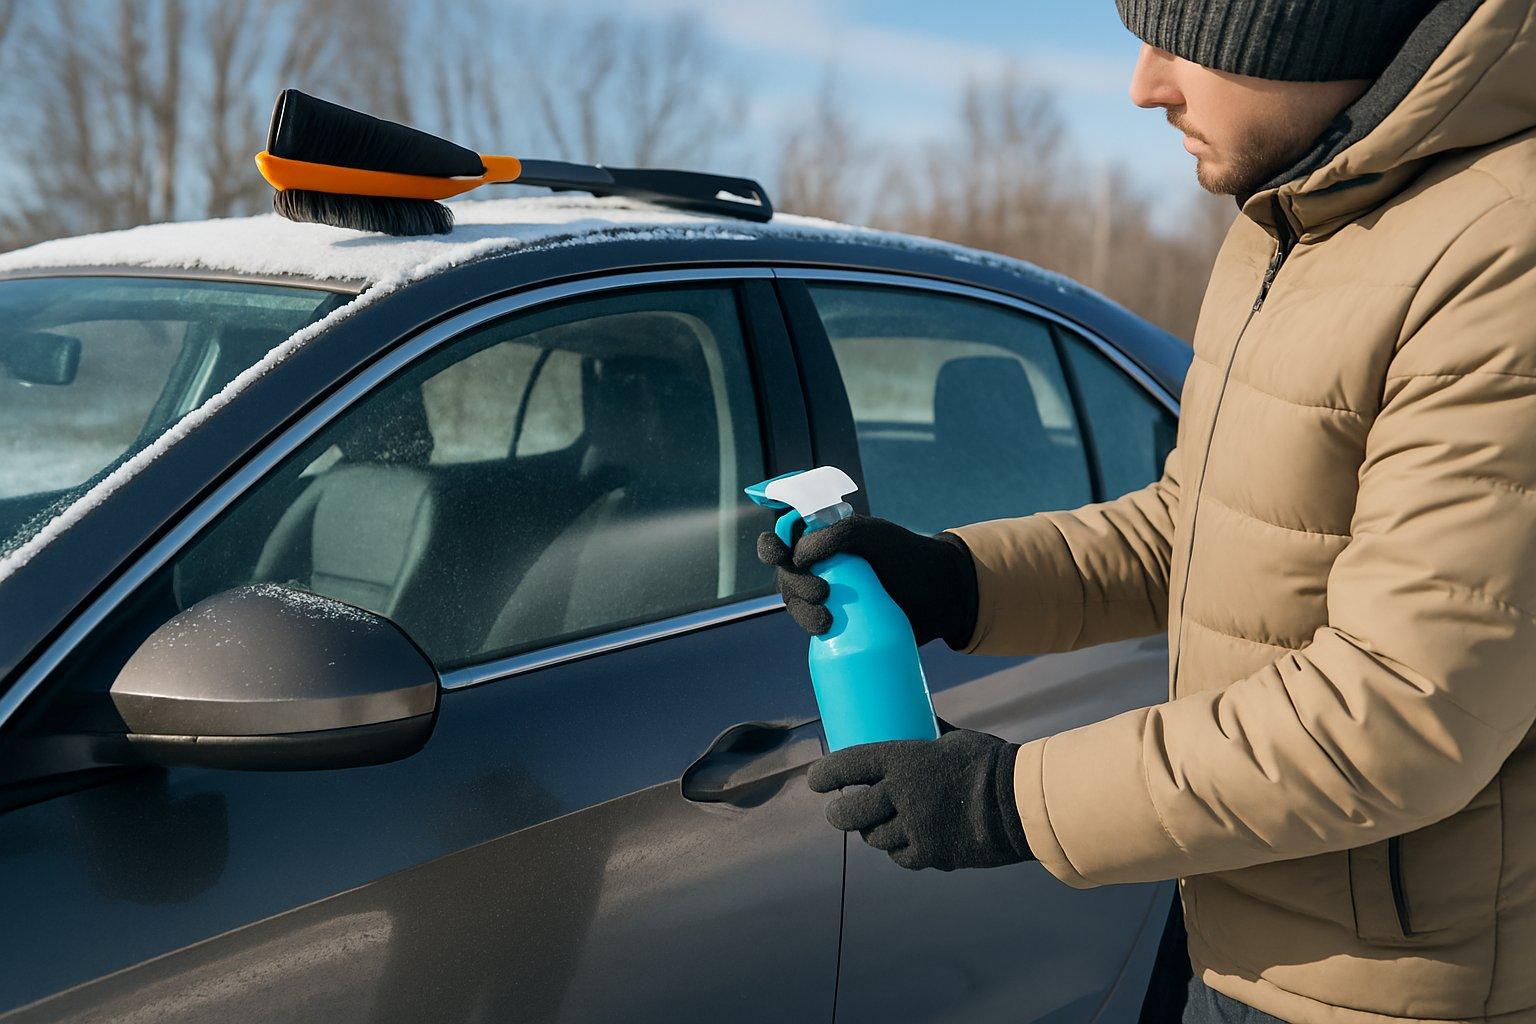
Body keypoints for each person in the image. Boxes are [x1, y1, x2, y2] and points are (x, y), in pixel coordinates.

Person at [759, 1, 1536, 1021]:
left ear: (1309, 29)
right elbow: (1196, 525)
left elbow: (1399, 707)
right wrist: (956, 577)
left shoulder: (1502, 253)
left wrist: (1009, 801)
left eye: (1191, 43)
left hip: (1390, 989)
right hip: (1244, 918)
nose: (1147, 86)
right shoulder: (1296, 220)